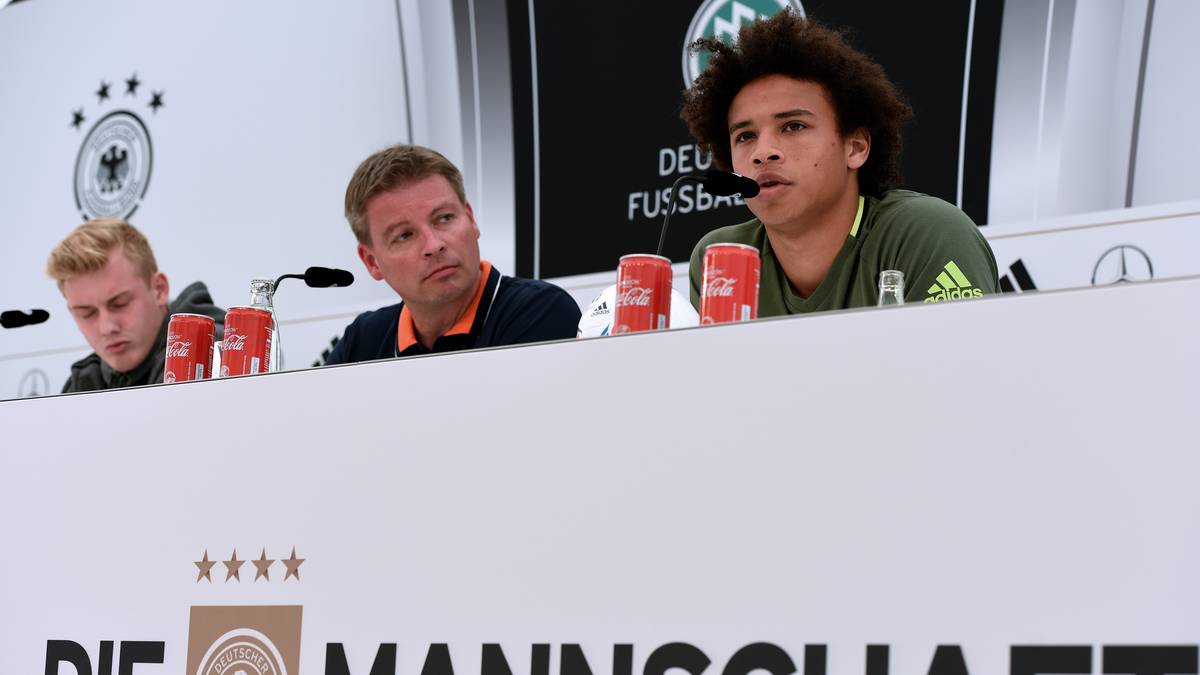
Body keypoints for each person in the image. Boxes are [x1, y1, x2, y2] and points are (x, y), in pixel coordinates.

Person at [681, 11, 998, 313]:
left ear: (855, 148)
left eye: (793, 126)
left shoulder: (928, 234)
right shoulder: (720, 259)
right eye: (745, 136)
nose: (763, 152)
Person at [325, 144, 580, 364]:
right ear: (372, 262)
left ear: (471, 218)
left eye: (444, 218)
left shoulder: (540, 312)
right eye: (404, 235)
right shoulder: (361, 343)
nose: (434, 245)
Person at [46, 219, 225, 393]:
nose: (107, 328)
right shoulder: (84, 383)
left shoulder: (215, 355)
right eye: (87, 313)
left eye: (119, 304)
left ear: (159, 289)